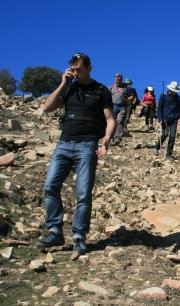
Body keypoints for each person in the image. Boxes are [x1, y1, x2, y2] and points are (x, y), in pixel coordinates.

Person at [38, 53, 115, 260]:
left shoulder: (100, 90)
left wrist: (106, 139)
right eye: (72, 69)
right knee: (50, 186)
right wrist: (63, 83)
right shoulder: (69, 87)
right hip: (64, 144)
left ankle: (79, 237)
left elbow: (110, 119)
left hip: (87, 146)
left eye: (78, 69)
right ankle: (55, 231)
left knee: (83, 194)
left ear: (89, 68)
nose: (75, 73)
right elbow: (47, 108)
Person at [153, 81, 180, 160]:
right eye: (173, 91)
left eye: (175, 91)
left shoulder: (177, 97)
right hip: (164, 118)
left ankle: (168, 154)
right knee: (165, 134)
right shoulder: (163, 96)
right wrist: (160, 119)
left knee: (172, 137)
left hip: (174, 120)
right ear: (170, 89)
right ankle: (157, 147)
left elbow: (179, 108)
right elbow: (159, 109)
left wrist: (177, 116)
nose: (174, 92)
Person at [109, 73, 126, 145]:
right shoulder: (111, 87)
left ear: (121, 79)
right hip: (112, 106)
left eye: (119, 77)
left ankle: (117, 138)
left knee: (119, 121)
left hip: (122, 107)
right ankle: (112, 138)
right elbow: (107, 96)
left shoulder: (125, 88)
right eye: (116, 77)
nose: (117, 79)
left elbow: (129, 97)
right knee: (112, 123)